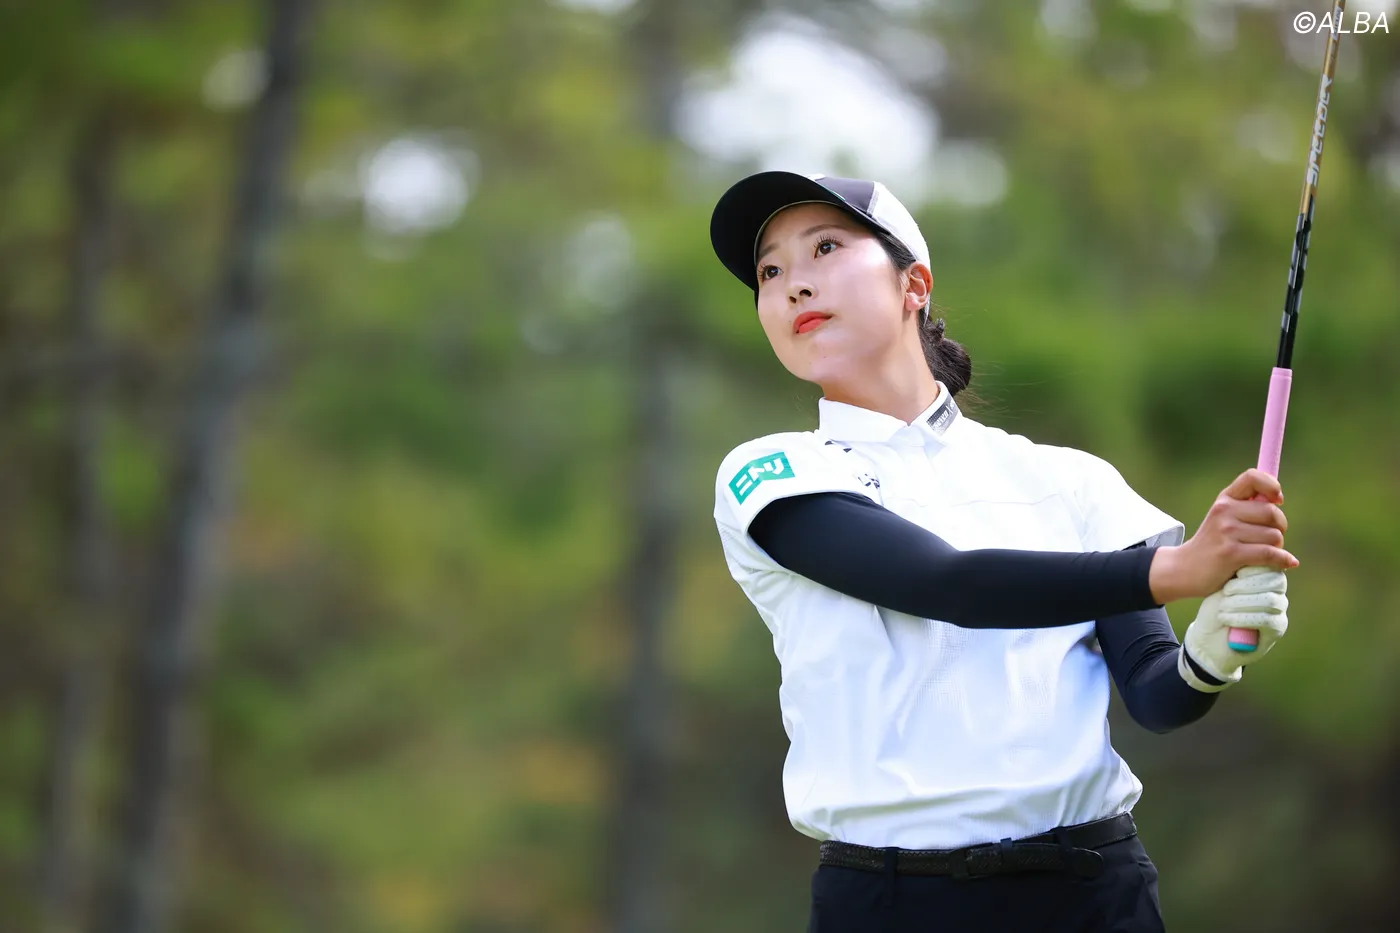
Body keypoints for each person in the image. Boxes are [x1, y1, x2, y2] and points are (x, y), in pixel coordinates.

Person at [707, 172, 1295, 933]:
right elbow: (947, 584)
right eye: (769, 272)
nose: (793, 285)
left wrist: (1212, 654)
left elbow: (1156, 695)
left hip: (1092, 891)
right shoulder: (771, 471)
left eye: (825, 248)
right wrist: (1181, 569)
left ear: (914, 284)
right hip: (890, 902)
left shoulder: (1069, 479)